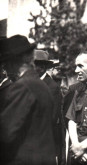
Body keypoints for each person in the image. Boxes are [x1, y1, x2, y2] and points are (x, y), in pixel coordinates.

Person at [0, 35, 56, 164]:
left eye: (7, 61)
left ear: (19, 60)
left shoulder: (23, 86)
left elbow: (6, 132)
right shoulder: (40, 85)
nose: (5, 68)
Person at [34, 49, 63, 165]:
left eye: (38, 64)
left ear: (44, 66)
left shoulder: (52, 87)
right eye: (33, 64)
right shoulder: (30, 82)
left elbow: (52, 117)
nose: (35, 67)